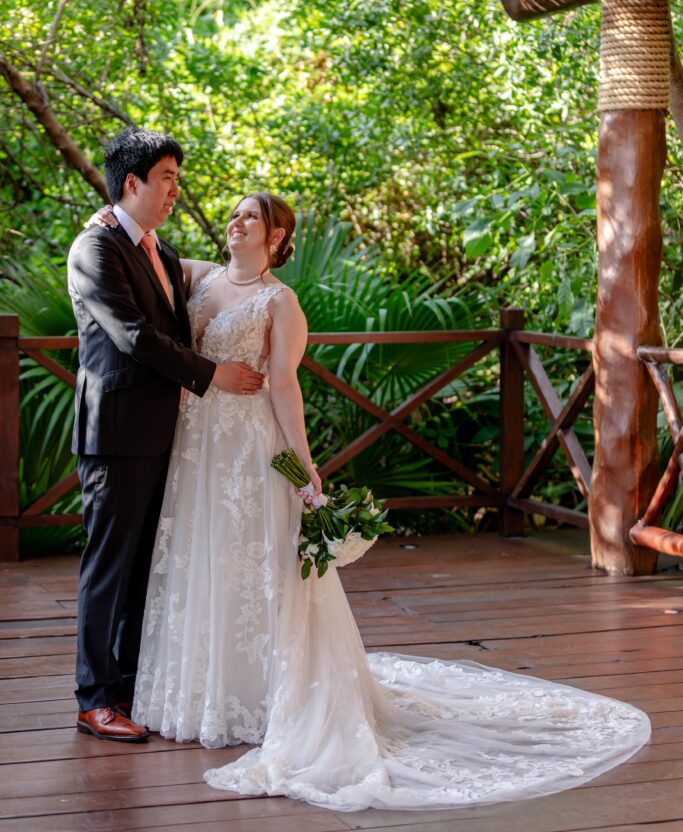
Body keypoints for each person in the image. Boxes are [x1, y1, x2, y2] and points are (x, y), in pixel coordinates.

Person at [127, 189, 651, 811]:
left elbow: (285, 387)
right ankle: (199, 691)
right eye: (234, 211)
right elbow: (141, 249)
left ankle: (264, 696)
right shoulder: (198, 281)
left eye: (251, 217)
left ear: (275, 239)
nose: (236, 220)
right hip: (197, 450)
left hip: (249, 450)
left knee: (257, 567)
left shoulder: (280, 302)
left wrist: (304, 466)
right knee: (203, 559)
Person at [67, 126, 263, 743]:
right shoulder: (95, 249)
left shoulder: (162, 251)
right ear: (133, 183)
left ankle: (130, 688)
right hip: (117, 434)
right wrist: (214, 376)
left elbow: (196, 297)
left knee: (145, 569)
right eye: (168, 178)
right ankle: (94, 699)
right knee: (110, 569)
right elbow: (134, 337)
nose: (176, 190)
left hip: (163, 435)